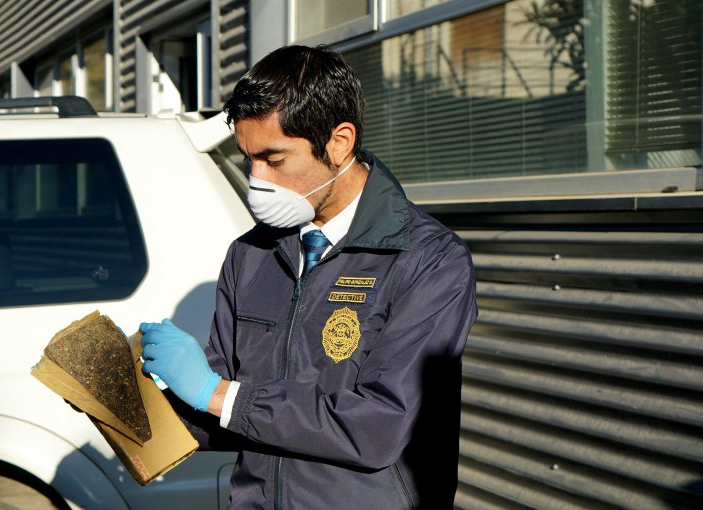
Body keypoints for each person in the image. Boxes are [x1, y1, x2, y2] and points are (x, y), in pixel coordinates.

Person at [139, 44, 477, 509]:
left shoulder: (428, 260)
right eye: (248, 159)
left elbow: (378, 426)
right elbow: (224, 410)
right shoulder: (250, 254)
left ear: (339, 143)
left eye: (274, 160)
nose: (257, 180)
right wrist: (128, 402)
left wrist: (216, 394)